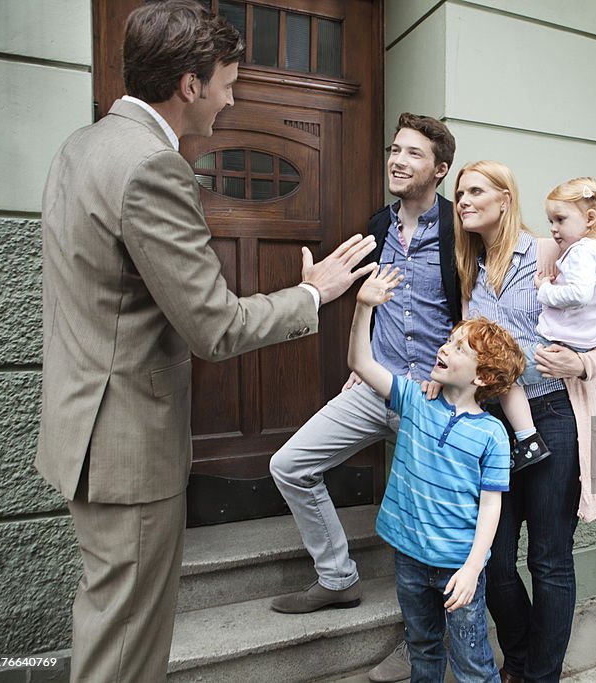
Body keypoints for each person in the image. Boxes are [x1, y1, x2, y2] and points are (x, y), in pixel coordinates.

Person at [35, 2, 378, 681]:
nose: (232, 98)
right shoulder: (152, 168)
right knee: (125, 650)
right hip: (127, 448)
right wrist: (313, 294)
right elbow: (214, 326)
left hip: (87, 433)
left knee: (111, 627)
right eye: (228, 82)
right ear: (190, 86)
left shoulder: (84, 144)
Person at [268, 113, 460, 626]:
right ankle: (337, 578)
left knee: (428, 519)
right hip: (375, 384)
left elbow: (476, 311)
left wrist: (446, 378)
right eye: (395, 149)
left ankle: (421, 640)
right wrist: (365, 356)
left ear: (439, 169)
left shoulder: (460, 231)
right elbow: (381, 302)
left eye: (413, 153)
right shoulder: (379, 225)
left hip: (430, 399)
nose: (397, 160)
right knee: (290, 465)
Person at [454, 161, 596, 683]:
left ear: (506, 199)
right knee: (497, 563)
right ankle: (524, 657)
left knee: (550, 559)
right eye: (458, 192)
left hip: (554, 415)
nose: (461, 199)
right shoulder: (471, 269)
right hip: (492, 425)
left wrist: (584, 363)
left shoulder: (550, 249)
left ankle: (538, 674)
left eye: (473, 190)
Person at [348, 265, 523, 683]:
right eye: (449, 341)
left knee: (472, 663)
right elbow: (359, 361)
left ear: (482, 376)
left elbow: (490, 506)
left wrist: (473, 568)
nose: (445, 348)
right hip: (408, 557)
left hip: (457, 567)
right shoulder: (414, 398)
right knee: (423, 651)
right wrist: (362, 308)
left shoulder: (492, 434)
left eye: (460, 348)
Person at [499, 177, 596, 471]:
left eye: (560, 219)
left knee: (503, 373)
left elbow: (581, 295)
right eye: (550, 220)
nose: (553, 228)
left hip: (560, 347)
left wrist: (545, 290)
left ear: (590, 218)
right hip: (579, 339)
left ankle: (527, 441)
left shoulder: (579, 252)